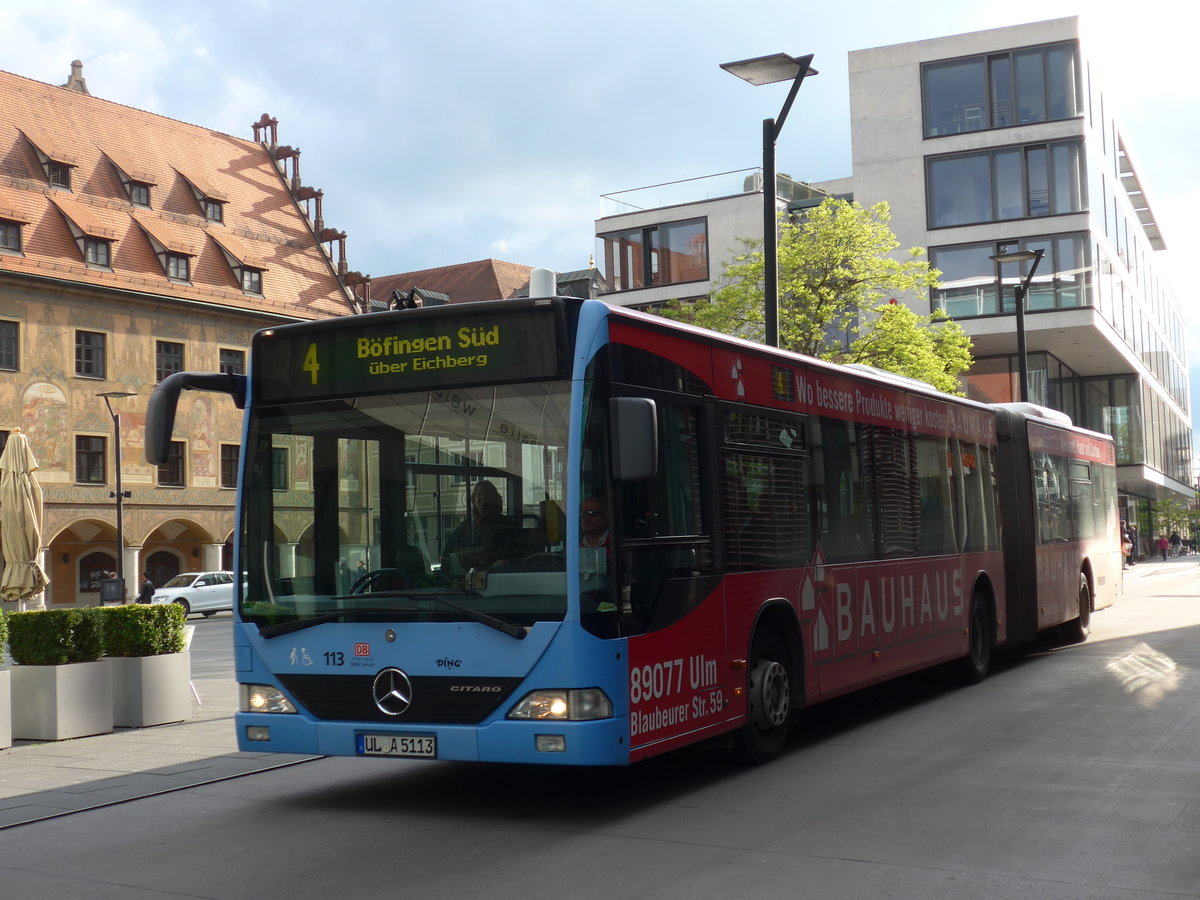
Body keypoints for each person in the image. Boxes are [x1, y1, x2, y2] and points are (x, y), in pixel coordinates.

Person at [443, 480, 513, 569]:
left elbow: (518, 556)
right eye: (479, 494)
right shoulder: (464, 528)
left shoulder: (507, 526)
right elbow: (447, 556)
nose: (483, 498)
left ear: (495, 500)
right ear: (474, 500)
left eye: (488, 495)